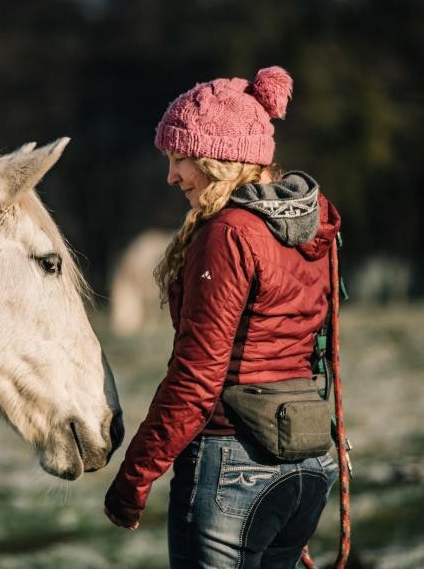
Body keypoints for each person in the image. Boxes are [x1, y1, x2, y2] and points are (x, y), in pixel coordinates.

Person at [103, 66, 341, 568]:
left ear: (218, 157)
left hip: (233, 463)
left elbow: (197, 376)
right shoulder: (309, 223)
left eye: (179, 158)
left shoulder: (228, 234)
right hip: (308, 464)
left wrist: (135, 476)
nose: (171, 176)